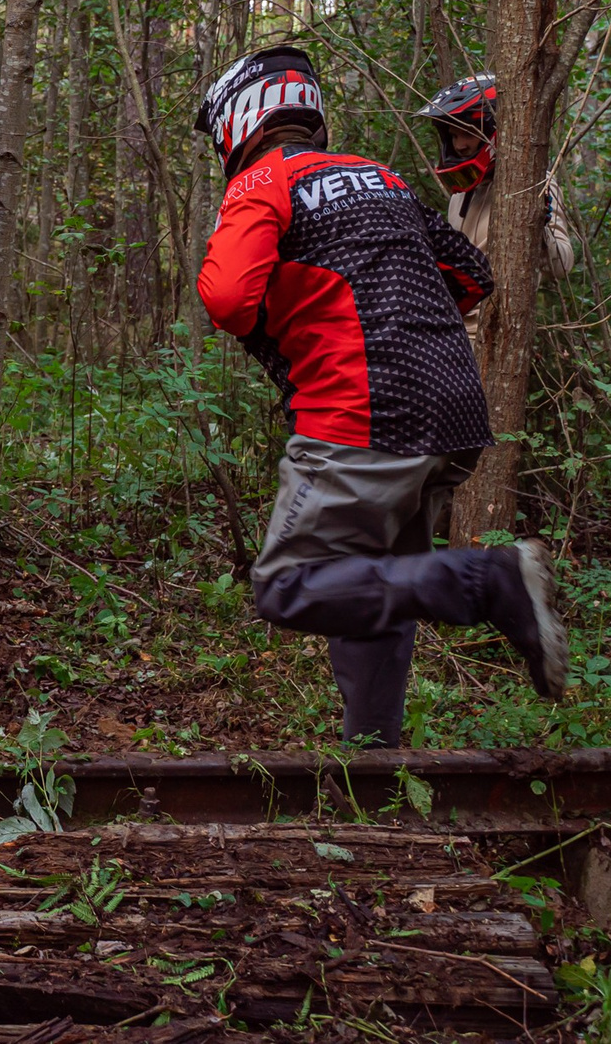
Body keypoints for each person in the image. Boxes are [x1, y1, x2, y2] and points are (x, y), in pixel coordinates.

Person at [193, 46, 568, 746]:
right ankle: (372, 764)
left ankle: (489, 581)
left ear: (243, 121)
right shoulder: (381, 177)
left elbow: (226, 294)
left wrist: (286, 320)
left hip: (360, 410)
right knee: (379, 589)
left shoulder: (264, 180)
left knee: (286, 586)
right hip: (450, 407)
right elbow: (468, 273)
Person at [417, 73, 577, 363]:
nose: (459, 145)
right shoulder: (460, 194)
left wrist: (539, 218)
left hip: (495, 338)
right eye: (453, 135)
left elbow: (562, 264)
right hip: (450, 335)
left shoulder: (535, 183)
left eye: (466, 131)